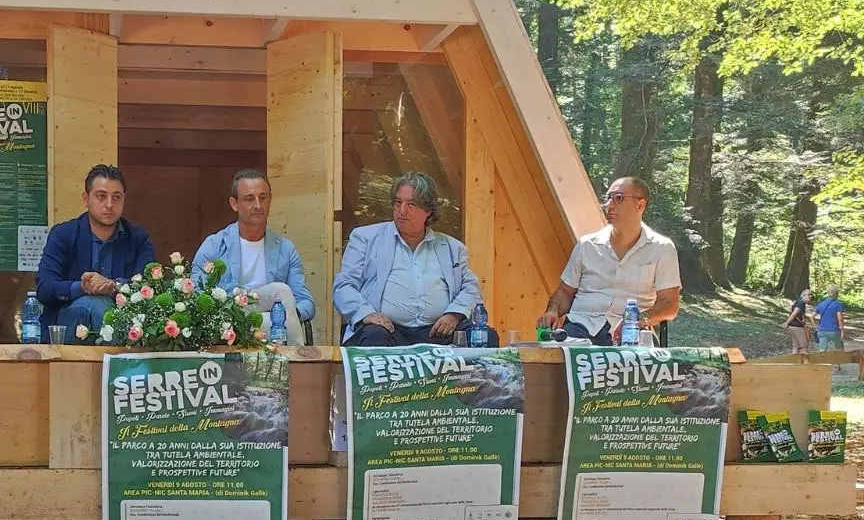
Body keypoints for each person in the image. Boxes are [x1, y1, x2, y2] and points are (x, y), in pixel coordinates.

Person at [333, 171, 498, 347]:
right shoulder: (365, 238)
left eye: (411, 204)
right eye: (398, 202)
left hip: (439, 332)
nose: (402, 210)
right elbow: (343, 287)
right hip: (387, 331)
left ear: (428, 210)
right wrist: (367, 314)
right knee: (374, 338)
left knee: (487, 336)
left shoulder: (452, 247)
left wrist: (454, 314)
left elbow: (471, 289)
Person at [537, 176, 680, 345]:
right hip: (580, 326)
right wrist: (553, 310)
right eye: (608, 198)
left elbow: (670, 305)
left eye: (618, 198)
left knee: (641, 363)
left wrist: (638, 320)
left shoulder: (662, 248)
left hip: (632, 332)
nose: (609, 205)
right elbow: (564, 292)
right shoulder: (587, 245)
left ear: (640, 205)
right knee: (554, 355)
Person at [190, 170, 315, 345]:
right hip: (228, 323)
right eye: (249, 199)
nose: (258, 205)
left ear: (270, 200)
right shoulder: (214, 245)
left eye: (263, 198)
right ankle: (297, 362)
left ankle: (294, 360)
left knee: (282, 293)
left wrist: (285, 316)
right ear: (234, 204)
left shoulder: (285, 249)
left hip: (273, 324)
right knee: (281, 290)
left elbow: (306, 302)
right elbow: (196, 295)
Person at [36, 164, 155, 339]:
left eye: (116, 197)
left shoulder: (138, 239)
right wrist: (83, 287)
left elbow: (148, 288)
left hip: (125, 326)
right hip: (68, 326)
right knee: (91, 304)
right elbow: (45, 289)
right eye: (101, 196)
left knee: (103, 306)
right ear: (86, 199)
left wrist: (114, 286)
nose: (109, 205)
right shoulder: (63, 234)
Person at [813, 285, 847, 369]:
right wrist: (842, 330)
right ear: (837, 293)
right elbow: (839, 318)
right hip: (834, 330)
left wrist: (816, 327)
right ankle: (837, 367)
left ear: (828, 293)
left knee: (822, 350)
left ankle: (822, 368)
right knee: (839, 348)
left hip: (822, 330)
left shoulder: (821, 304)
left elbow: (812, 316)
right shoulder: (838, 304)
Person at [781, 289, 813, 358]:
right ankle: (805, 364)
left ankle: (794, 364)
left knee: (796, 346)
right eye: (809, 294)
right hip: (797, 328)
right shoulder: (801, 303)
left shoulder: (799, 302)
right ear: (803, 295)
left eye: (811, 294)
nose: (810, 296)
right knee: (803, 347)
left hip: (792, 327)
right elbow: (794, 314)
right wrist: (787, 323)